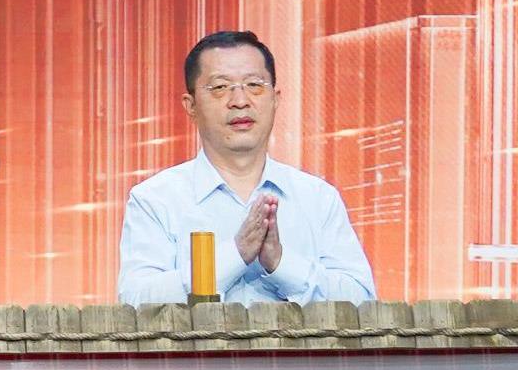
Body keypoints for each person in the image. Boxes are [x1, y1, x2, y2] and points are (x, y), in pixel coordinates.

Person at [118, 30, 379, 305]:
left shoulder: (317, 198)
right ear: (191, 105)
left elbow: (362, 300)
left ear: (275, 99)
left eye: (254, 85)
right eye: (220, 87)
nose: (240, 101)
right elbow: (136, 300)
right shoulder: (155, 199)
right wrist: (235, 255)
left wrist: (281, 263)